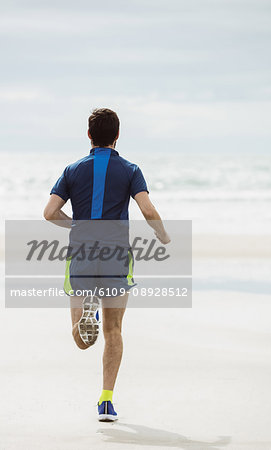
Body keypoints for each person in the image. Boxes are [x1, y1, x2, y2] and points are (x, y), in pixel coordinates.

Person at [43, 108, 170, 422]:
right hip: (116, 255)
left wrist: (76, 225)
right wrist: (163, 234)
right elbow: (149, 211)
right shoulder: (130, 169)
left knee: (82, 340)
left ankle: (86, 316)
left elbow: (49, 213)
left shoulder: (72, 169)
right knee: (113, 330)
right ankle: (106, 401)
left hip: (82, 253)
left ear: (89, 135)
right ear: (117, 136)